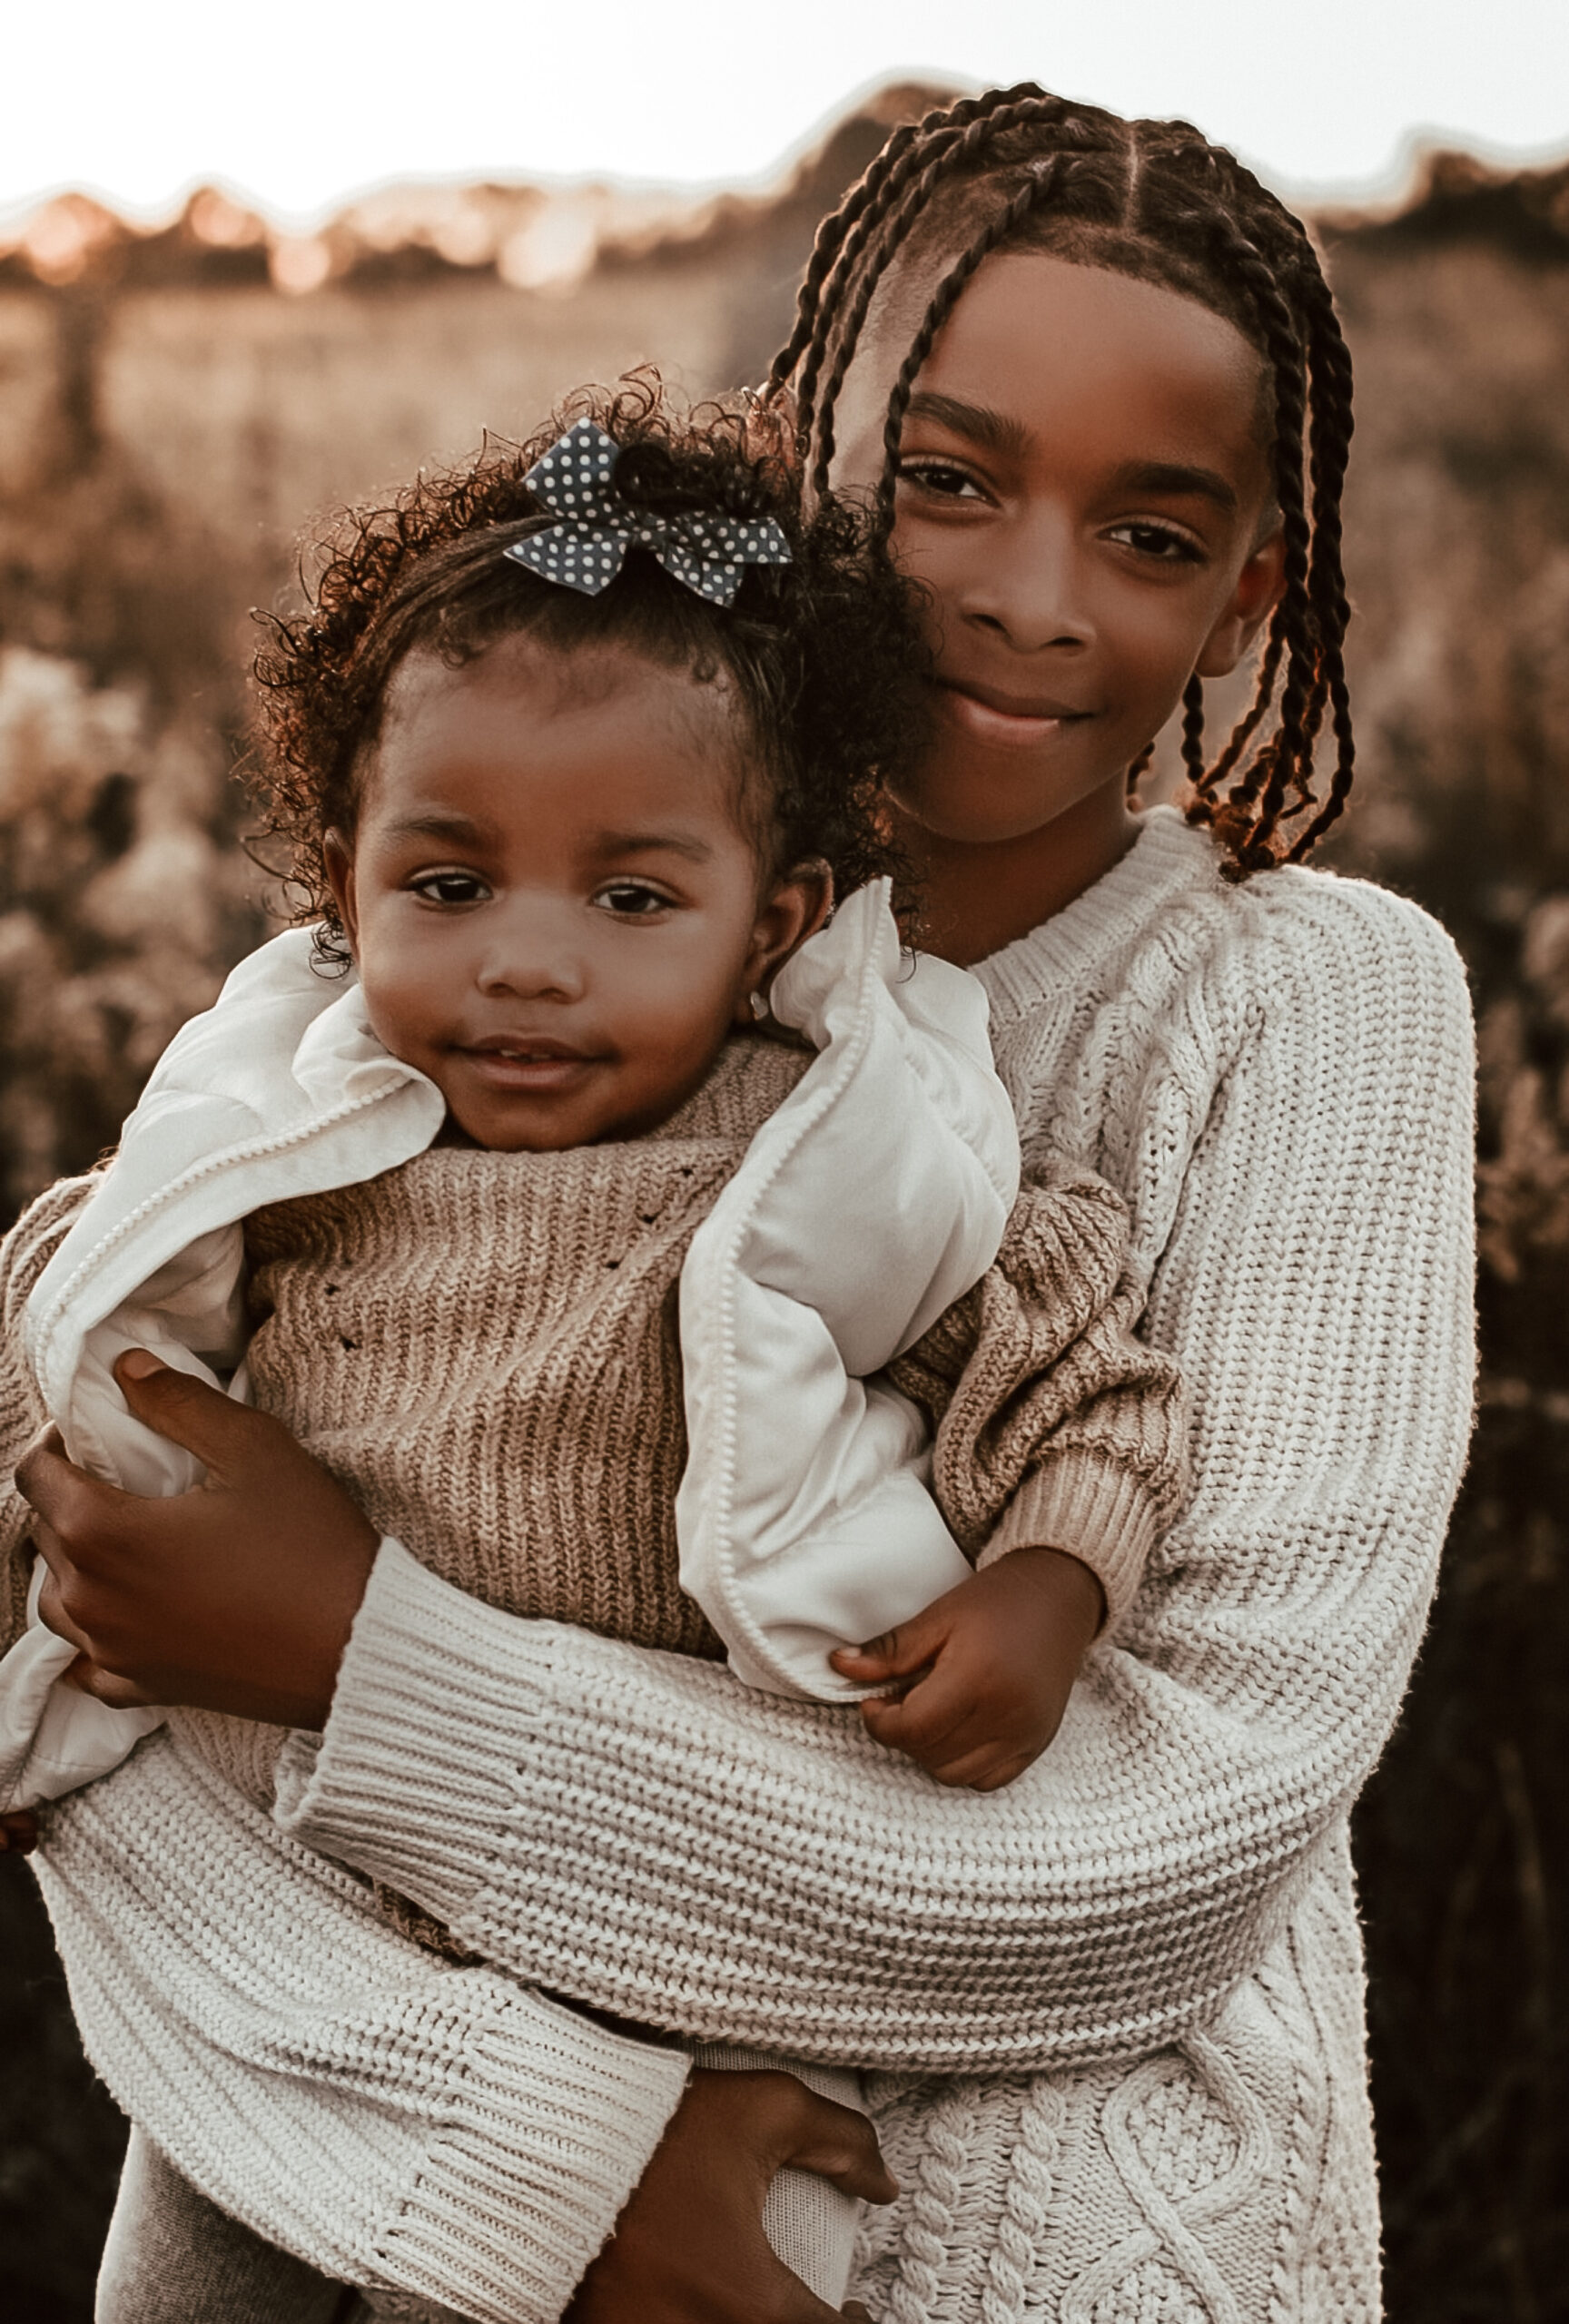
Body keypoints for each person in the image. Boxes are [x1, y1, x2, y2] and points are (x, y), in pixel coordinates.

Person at [10, 84, 1475, 2324]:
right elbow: (107, 1691)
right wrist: (545, 2154)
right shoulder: (483, 940)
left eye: (1153, 535)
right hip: (368, 2196)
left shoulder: (1313, 1004)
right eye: (953, 479)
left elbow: (1172, 1845)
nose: (1028, 593)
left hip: (1055, 2258)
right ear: (810, 458)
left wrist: (361, 1656)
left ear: (1253, 585)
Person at [2, 376, 1183, 2315]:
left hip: (667, 1917)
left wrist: (1058, 1569)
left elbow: (1079, 1361)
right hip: (311, 1950)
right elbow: (74, 1336)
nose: (528, 959)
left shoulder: (824, 1147)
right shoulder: (310, 1128)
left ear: (774, 915)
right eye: (448, 885)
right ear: (341, 881)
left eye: (633, 897)